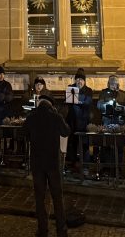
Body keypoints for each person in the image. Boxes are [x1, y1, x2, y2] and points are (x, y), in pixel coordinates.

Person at [25, 95, 70, 237]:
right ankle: (61, 230)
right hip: (52, 163)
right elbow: (66, 131)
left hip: (37, 163)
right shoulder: (55, 117)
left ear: (39, 104)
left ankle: (42, 229)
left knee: (39, 197)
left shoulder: (31, 117)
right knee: (57, 196)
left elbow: (24, 134)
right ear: (51, 105)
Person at [95, 74, 125, 175]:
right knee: (106, 145)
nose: (114, 85)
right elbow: (99, 105)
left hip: (119, 122)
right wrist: (106, 105)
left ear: (118, 84)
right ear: (108, 83)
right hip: (107, 121)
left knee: (119, 146)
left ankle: (118, 169)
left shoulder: (123, 95)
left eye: (115, 83)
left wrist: (121, 108)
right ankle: (106, 168)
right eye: (112, 83)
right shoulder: (104, 93)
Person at [64, 68, 92, 177]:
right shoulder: (71, 88)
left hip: (84, 122)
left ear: (84, 81)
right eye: (78, 79)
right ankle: (73, 165)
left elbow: (88, 102)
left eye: (81, 79)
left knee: (84, 146)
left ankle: (85, 167)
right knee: (72, 145)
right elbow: (67, 100)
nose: (79, 81)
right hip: (72, 122)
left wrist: (78, 101)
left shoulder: (88, 90)